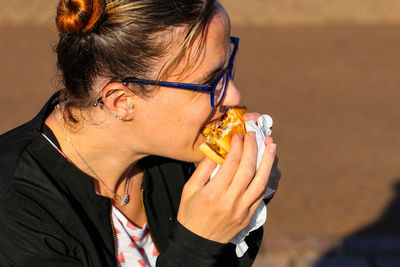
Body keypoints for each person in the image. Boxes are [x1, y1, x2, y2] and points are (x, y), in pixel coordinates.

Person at [0, 0, 280, 266]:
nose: (233, 96)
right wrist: (198, 245)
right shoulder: (16, 215)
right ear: (121, 101)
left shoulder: (165, 155)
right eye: (209, 83)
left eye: (227, 69)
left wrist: (244, 205)